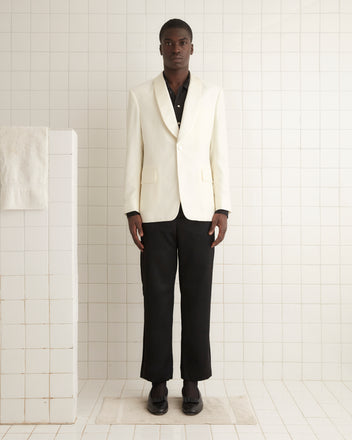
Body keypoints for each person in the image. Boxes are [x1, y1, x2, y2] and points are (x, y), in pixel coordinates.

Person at [124, 18, 231, 415]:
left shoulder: (212, 95)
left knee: (197, 298)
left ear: (192, 47)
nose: (176, 48)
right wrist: (131, 207)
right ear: (160, 48)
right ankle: (157, 381)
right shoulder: (140, 95)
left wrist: (223, 206)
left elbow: (219, 154)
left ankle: (191, 382)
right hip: (154, 211)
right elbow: (133, 154)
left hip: (201, 211)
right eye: (168, 43)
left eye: (182, 42)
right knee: (157, 298)